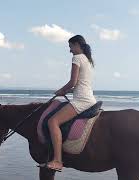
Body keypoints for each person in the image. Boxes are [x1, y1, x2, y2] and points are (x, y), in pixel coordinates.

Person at [40, 35, 97, 172]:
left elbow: (73, 81)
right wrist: (68, 91)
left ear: (77, 44)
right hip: (89, 98)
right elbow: (80, 84)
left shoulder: (77, 58)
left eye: (70, 46)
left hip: (81, 101)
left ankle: (58, 160)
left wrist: (61, 90)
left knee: (52, 122)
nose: (70, 50)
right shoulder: (88, 60)